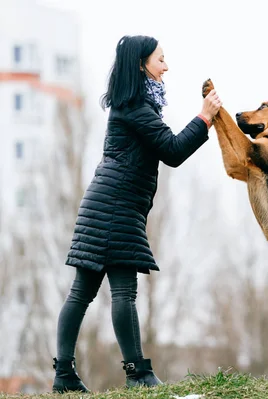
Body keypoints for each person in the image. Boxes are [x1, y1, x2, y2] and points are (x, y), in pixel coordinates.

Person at [51, 35, 221, 393]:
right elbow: (173, 150)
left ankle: (65, 375)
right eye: (161, 59)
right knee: (122, 291)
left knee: (82, 292)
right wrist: (204, 118)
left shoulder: (131, 106)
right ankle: (136, 373)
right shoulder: (136, 110)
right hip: (115, 209)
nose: (166, 65)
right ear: (143, 63)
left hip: (106, 205)